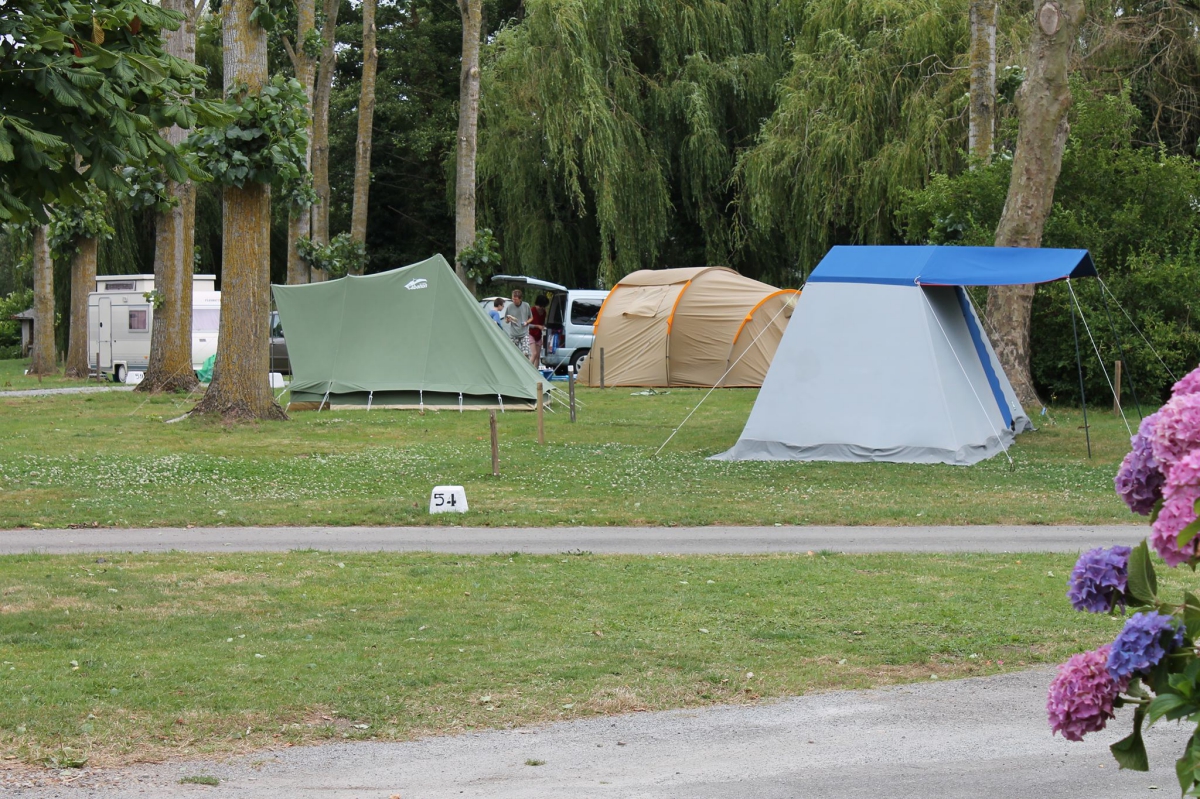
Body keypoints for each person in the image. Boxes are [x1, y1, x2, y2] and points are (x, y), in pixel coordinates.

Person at [503, 289, 533, 356]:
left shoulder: (526, 305)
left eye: (515, 299)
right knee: (512, 354)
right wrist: (508, 320)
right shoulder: (509, 307)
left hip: (524, 333)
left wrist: (526, 322)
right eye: (513, 299)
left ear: (520, 299)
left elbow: (531, 318)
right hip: (514, 334)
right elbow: (506, 320)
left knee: (525, 353)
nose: (514, 300)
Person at [528, 295, 548, 368]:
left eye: (543, 306)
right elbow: (527, 324)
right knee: (534, 353)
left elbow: (542, 323)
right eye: (540, 306)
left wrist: (543, 327)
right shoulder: (532, 310)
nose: (541, 308)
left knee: (538, 356)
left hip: (538, 335)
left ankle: (535, 371)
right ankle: (528, 370)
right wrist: (537, 326)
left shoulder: (544, 312)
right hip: (531, 334)